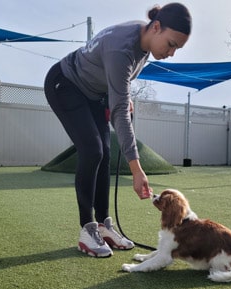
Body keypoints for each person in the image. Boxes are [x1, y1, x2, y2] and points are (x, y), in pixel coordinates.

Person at [44, 3, 191, 258]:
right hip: (65, 84)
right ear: (156, 27)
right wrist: (137, 170)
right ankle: (87, 230)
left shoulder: (145, 46)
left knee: (105, 154)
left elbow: (119, 85)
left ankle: (104, 225)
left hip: (94, 94)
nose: (172, 53)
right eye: (171, 44)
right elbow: (120, 111)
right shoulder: (121, 47)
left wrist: (121, 96)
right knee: (92, 151)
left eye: (177, 48)